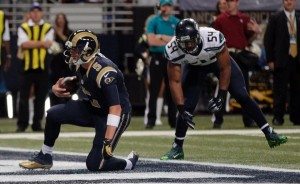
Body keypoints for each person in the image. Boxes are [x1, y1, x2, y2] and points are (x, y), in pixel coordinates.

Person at [160, 18, 288, 160]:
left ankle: (269, 133)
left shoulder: (212, 38)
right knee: (186, 106)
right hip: (194, 67)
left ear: (197, 36)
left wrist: (221, 95)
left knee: (242, 95)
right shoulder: (172, 49)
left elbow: (225, 68)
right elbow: (174, 81)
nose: (189, 46)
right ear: (177, 41)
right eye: (184, 43)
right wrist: (180, 108)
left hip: (216, 63)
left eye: (191, 41)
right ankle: (177, 147)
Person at [19, 29, 139, 171]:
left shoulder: (105, 71)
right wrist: (62, 84)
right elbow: (82, 79)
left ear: (88, 51)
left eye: (76, 50)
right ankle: (45, 156)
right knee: (53, 114)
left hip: (115, 115)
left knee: (95, 165)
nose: (72, 53)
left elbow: (115, 107)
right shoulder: (81, 62)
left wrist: (108, 141)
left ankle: (128, 163)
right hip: (94, 107)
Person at [212, 0, 261, 128]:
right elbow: (213, 41)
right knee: (222, 88)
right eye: (227, 1)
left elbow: (248, 40)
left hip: (241, 56)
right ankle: (217, 120)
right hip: (226, 55)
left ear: (237, 2)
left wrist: (256, 32)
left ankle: (248, 120)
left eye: (232, 1)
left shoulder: (244, 19)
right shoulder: (220, 20)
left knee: (244, 90)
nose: (229, 3)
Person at [16, 2, 54, 132]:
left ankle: (37, 123)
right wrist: (42, 43)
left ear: (42, 13)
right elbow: (24, 44)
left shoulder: (48, 27)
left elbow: (49, 45)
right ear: (30, 13)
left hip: (42, 67)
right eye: (33, 11)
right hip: (26, 67)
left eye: (38, 11)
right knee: (23, 97)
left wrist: (32, 43)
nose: (36, 13)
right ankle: (22, 123)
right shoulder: (24, 27)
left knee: (41, 97)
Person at [264, 0, 300, 125]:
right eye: (286, 0)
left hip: (298, 60)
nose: (288, 2)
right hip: (281, 59)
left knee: (297, 90)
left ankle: (296, 117)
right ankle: (278, 117)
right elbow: (268, 40)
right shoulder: (276, 18)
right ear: (283, 2)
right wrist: (270, 59)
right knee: (280, 91)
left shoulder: (299, 16)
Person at [145, 0, 179, 129]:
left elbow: (178, 42)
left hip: (171, 57)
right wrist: (169, 40)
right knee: (154, 90)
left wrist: (162, 37)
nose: (166, 8)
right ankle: (151, 120)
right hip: (157, 57)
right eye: (164, 5)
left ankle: (173, 120)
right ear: (161, 7)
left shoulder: (176, 22)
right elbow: (151, 41)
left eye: (168, 5)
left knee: (172, 90)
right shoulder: (153, 21)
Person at [49, 13, 74, 106]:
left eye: (62, 18)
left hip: (67, 64)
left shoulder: (69, 32)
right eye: (58, 18)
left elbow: (69, 45)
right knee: (56, 85)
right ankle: (55, 107)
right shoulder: (52, 33)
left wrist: (59, 33)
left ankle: (69, 107)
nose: (60, 20)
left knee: (68, 86)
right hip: (56, 63)